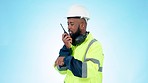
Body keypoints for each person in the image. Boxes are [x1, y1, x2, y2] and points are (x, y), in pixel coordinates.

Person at [54, 4, 104, 83]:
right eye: (68, 24)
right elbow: (60, 70)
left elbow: (87, 71)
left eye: (72, 24)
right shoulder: (71, 45)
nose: (69, 27)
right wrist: (66, 49)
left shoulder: (94, 45)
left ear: (82, 25)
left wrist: (66, 59)